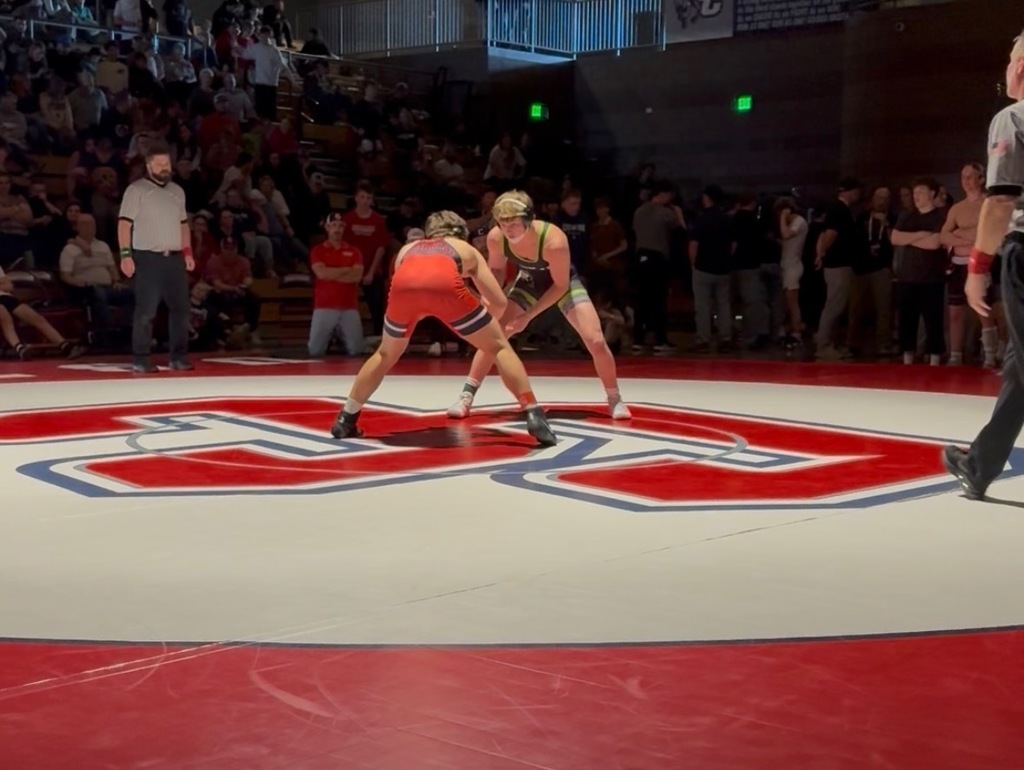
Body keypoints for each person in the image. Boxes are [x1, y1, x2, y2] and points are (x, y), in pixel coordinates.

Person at [330, 211, 557, 447]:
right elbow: (499, 302)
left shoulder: (407, 250)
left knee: (385, 354)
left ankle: (346, 418)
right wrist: (483, 312)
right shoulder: (464, 248)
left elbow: (413, 282)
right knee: (499, 347)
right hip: (447, 290)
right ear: (460, 232)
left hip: (404, 292)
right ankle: (533, 412)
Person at [447, 190, 631, 420]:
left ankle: (614, 397)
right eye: (503, 223)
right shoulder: (496, 237)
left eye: (513, 223)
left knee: (595, 339)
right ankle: (467, 395)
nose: (508, 229)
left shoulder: (554, 240)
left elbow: (560, 285)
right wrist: (490, 296)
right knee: (494, 334)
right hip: (530, 280)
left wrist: (527, 316)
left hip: (562, 283)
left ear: (528, 219)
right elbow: (497, 270)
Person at [944, 31, 1024, 499]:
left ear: (1019, 68)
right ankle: (980, 464)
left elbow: (1000, 203)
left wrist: (977, 266)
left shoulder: (1012, 119)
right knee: (1018, 362)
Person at [117, 140, 195, 373]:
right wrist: (125, 255)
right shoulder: (136, 190)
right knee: (146, 310)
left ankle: (178, 356)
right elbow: (124, 224)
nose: (164, 168)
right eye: (159, 164)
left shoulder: (177, 192)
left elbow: (183, 225)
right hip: (147, 257)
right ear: (149, 166)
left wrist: (187, 252)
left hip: (173, 257)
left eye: (167, 163)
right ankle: (141, 358)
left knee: (181, 308)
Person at [0, 266, 86, 360]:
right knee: (5, 316)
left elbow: (9, 286)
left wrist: (4, 286)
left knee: (36, 318)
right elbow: (4, 285)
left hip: (4, 297)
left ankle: (65, 346)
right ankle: (19, 348)